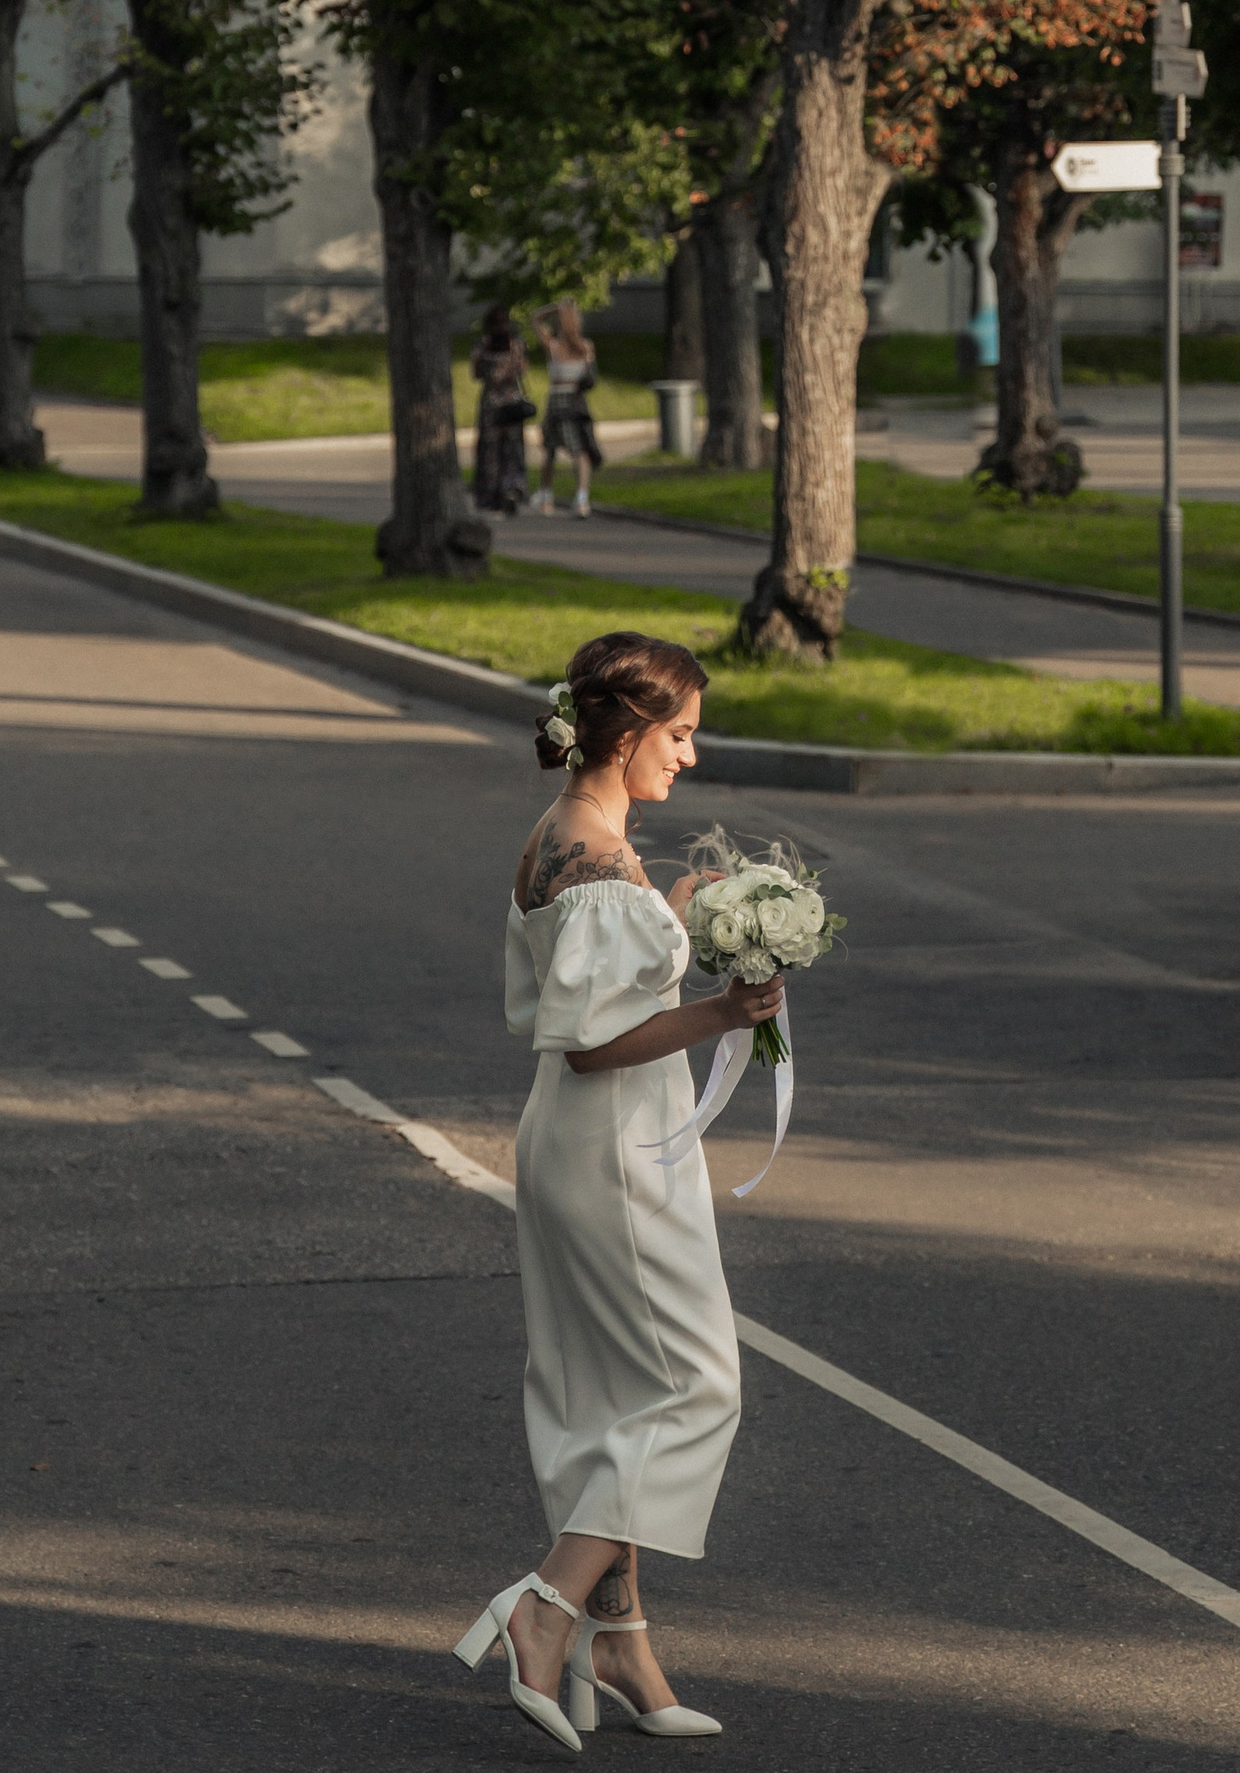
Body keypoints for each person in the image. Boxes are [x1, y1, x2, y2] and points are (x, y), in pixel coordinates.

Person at [455, 633, 781, 1751]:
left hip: (577, 1139)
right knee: (695, 1386)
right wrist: (725, 1010)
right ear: (628, 732)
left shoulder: (564, 837)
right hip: (615, 1145)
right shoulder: (594, 863)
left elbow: (583, 990)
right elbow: (599, 1040)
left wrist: (682, 918)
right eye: (680, 733)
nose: (690, 755)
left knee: (608, 1398)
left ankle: (622, 1637)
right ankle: (543, 1607)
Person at [535, 299, 601, 519]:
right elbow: (590, 376)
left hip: (556, 401)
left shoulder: (553, 347)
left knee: (550, 449)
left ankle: (546, 497)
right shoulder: (586, 347)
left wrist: (554, 307)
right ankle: (581, 498)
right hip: (576, 401)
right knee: (581, 451)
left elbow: (535, 319)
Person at [472, 300, 537, 515]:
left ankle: (490, 493)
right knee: (513, 449)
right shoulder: (516, 345)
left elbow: (476, 373)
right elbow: (522, 370)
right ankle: (511, 488)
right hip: (512, 402)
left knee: (490, 450)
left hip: (491, 402)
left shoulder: (482, 345)